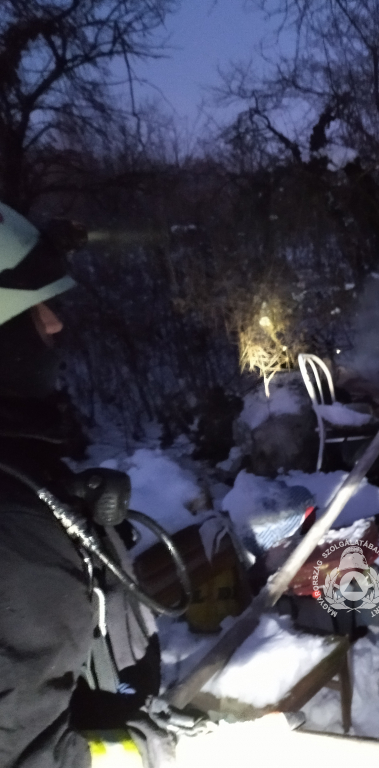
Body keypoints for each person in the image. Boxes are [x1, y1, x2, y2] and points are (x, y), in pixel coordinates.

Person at [0, 201, 168, 768]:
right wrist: (149, 751)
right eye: (35, 309)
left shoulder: (19, 491)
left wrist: (68, 514)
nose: (55, 324)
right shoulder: (13, 536)